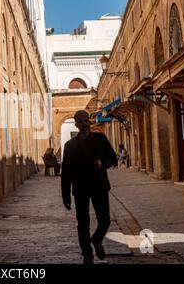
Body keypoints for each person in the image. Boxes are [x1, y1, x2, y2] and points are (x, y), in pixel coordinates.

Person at [61, 110, 118, 264]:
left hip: (99, 186)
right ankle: (87, 254)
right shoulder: (70, 145)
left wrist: (102, 164)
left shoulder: (100, 138)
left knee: (105, 220)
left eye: (86, 120)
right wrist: (66, 196)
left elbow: (113, 158)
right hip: (80, 189)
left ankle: (96, 239)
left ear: (89, 122)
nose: (85, 124)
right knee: (83, 224)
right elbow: (66, 172)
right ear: (76, 124)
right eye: (81, 121)